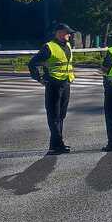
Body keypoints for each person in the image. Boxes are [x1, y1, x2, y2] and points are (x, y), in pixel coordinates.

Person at [28, 23, 76, 155]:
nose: (69, 35)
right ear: (59, 33)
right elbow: (33, 63)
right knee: (54, 116)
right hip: (54, 84)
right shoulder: (48, 47)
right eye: (67, 33)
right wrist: (40, 78)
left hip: (66, 83)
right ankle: (58, 144)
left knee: (61, 115)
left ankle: (54, 145)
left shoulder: (67, 45)